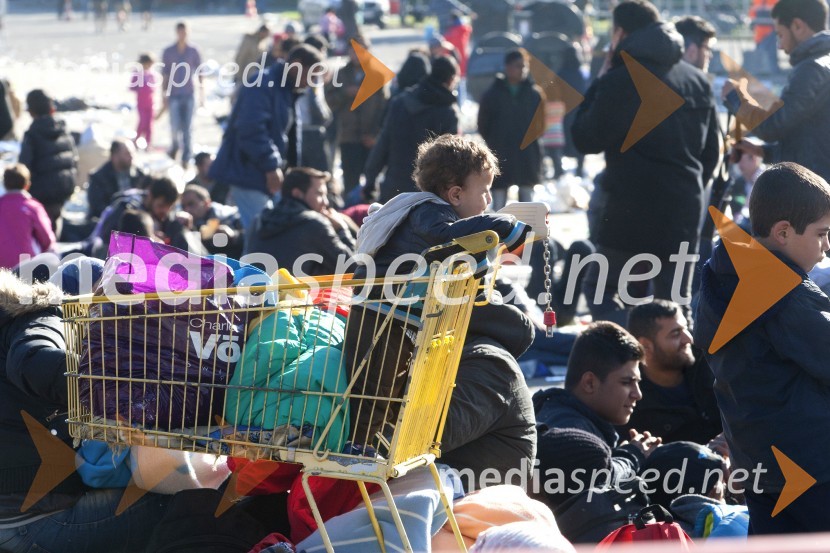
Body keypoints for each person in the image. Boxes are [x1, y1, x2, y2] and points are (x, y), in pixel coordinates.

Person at [345, 134, 532, 451]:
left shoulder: (427, 210)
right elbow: (444, 239)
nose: (488, 199)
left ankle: (376, 448)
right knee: (374, 391)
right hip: (380, 318)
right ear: (456, 194)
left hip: (396, 317)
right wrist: (502, 226)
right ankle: (361, 452)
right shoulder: (429, 212)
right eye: (484, 191)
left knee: (392, 392)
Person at [695, 162, 830, 534]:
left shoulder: (719, 277)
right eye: (821, 234)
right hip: (812, 466)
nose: (826, 247)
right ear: (783, 232)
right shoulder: (786, 296)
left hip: (756, 461)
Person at [571, 0, 720, 326]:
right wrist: (686, 185)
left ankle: (633, 350)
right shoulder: (697, 81)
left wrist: (600, 77)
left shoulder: (619, 80)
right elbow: (711, 155)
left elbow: (584, 138)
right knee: (675, 305)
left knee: (600, 289)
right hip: (683, 209)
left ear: (620, 33)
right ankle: (676, 366)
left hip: (630, 208)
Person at [0, 269, 170, 552]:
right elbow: (33, 357)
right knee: (191, 501)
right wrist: (127, 392)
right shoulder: (44, 316)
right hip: (33, 521)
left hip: (14, 516)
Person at [210, 44, 324, 232]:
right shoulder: (263, 84)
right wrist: (271, 166)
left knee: (270, 234)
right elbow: (250, 129)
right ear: (296, 66)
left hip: (263, 174)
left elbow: (287, 136)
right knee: (261, 236)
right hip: (248, 173)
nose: (312, 82)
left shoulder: (286, 89)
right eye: (311, 75)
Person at [533, 321, 661, 477]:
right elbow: (600, 479)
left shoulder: (564, 415)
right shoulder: (571, 434)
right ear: (589, 383)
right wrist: (632, 455)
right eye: (627, 382)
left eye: (637, 383)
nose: (637, 394)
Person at [723, 0, 830, 183]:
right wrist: (762, 152)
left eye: (780, 35)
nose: (780, 46)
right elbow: (811, 141)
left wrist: (736, 98)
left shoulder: (811, 69)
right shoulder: (822, 64)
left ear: (797, 26)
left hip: (814, 194)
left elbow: (773, 126)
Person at [439, 296, 537, 492]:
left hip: (471, 509)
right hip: (447, 495)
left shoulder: (489, 363)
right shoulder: (465, 352)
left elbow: (435, 434)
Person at [621, 300, 722, 444]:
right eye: (675, 334)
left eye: (686, 329)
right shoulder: (628, 399)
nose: (688, 339)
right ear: (645, 346)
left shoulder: (710, 365)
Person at [363, 55, 460, 203]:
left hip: (394, 190)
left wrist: (370, 180)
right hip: (430, 195)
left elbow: (383, 144)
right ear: (451, 79)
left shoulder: (400, 102)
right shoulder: (447, 112)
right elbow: (451, 159)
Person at [245, 167, 356, 276]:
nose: (325, 202)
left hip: (254, 291)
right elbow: (354, 268)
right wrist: (342, 229)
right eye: (319, 194)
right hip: (292, 293)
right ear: (297, 193)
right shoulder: (314, 224)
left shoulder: (259, 220)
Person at [477, 48, 545, 210]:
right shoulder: (492, 95)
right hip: (501, 151)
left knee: (527, 200)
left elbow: (540, 124)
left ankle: (528, 232)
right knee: (499, 197)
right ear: (507, 67)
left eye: (524, 66)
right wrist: (496, 140)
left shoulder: (534, 94)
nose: (522, 70)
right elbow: (483, 124)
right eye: (518, 66)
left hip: (527, 152)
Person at [325, 35, 389, 195]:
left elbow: (385, 109)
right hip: (348, 137)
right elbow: (329, 101)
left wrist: (375, 134)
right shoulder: (340, 75)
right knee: (350, 181)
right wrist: (345, 93)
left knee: (372, 182)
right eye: (353, 51)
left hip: (371, 138)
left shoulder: (377, 75)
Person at [18, 89, 79, 232]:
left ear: (31, 111)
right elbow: (73, 160)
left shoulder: (32, 135)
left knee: (42, 234)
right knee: (54, 229)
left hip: (41, 194)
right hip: (63, 190)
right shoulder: (63, 129)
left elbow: (24, 168)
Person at [161, 21, 203, 168]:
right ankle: (174, 147)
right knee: (174, 126)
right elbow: (165, 75)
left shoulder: (193, 51)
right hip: (173, 94)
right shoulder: (168, 52)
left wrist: (202, 94)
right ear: (176, 32)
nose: (182, 35)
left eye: (185, 32)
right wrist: (163, 95)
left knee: (188, 127)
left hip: (189, 93)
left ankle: (186, 157)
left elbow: (200, 72)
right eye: (180, 32)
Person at [0, 165, 55, 269]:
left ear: (4, 184)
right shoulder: (32, 207)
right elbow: (47, 240)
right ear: (27, 185)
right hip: (25, 267)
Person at [86, 139, 147, 221]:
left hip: (135, 222)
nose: (132, 156)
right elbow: (98, 209)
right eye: (127, 153)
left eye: (132, 153)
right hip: (108, 224)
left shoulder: (140, 175)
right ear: (114, 156)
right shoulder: (99, 178)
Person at [180, 184, 244, 259]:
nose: (187, 210)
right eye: (183, 206)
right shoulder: (187, 225)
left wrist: (234, 236)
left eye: (191, 204)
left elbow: (250, 238)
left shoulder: (231, 217)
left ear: (207, 203)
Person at [233, 24, 271, 98]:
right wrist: (238, 75)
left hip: (255, 77)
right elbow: (240, 58)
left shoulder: (263, 43)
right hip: (244, 75)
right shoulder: (249, 40)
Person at [130, 53, 157, 149]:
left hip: (150, 104)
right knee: (142, 123)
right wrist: (140, 88)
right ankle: (136, 141)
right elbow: (132, 87)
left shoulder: (151, 74)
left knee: (149, 125)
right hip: (141, 103)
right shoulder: (137, 74)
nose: (149, 66)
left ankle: (148, 144)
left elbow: (154, 87)